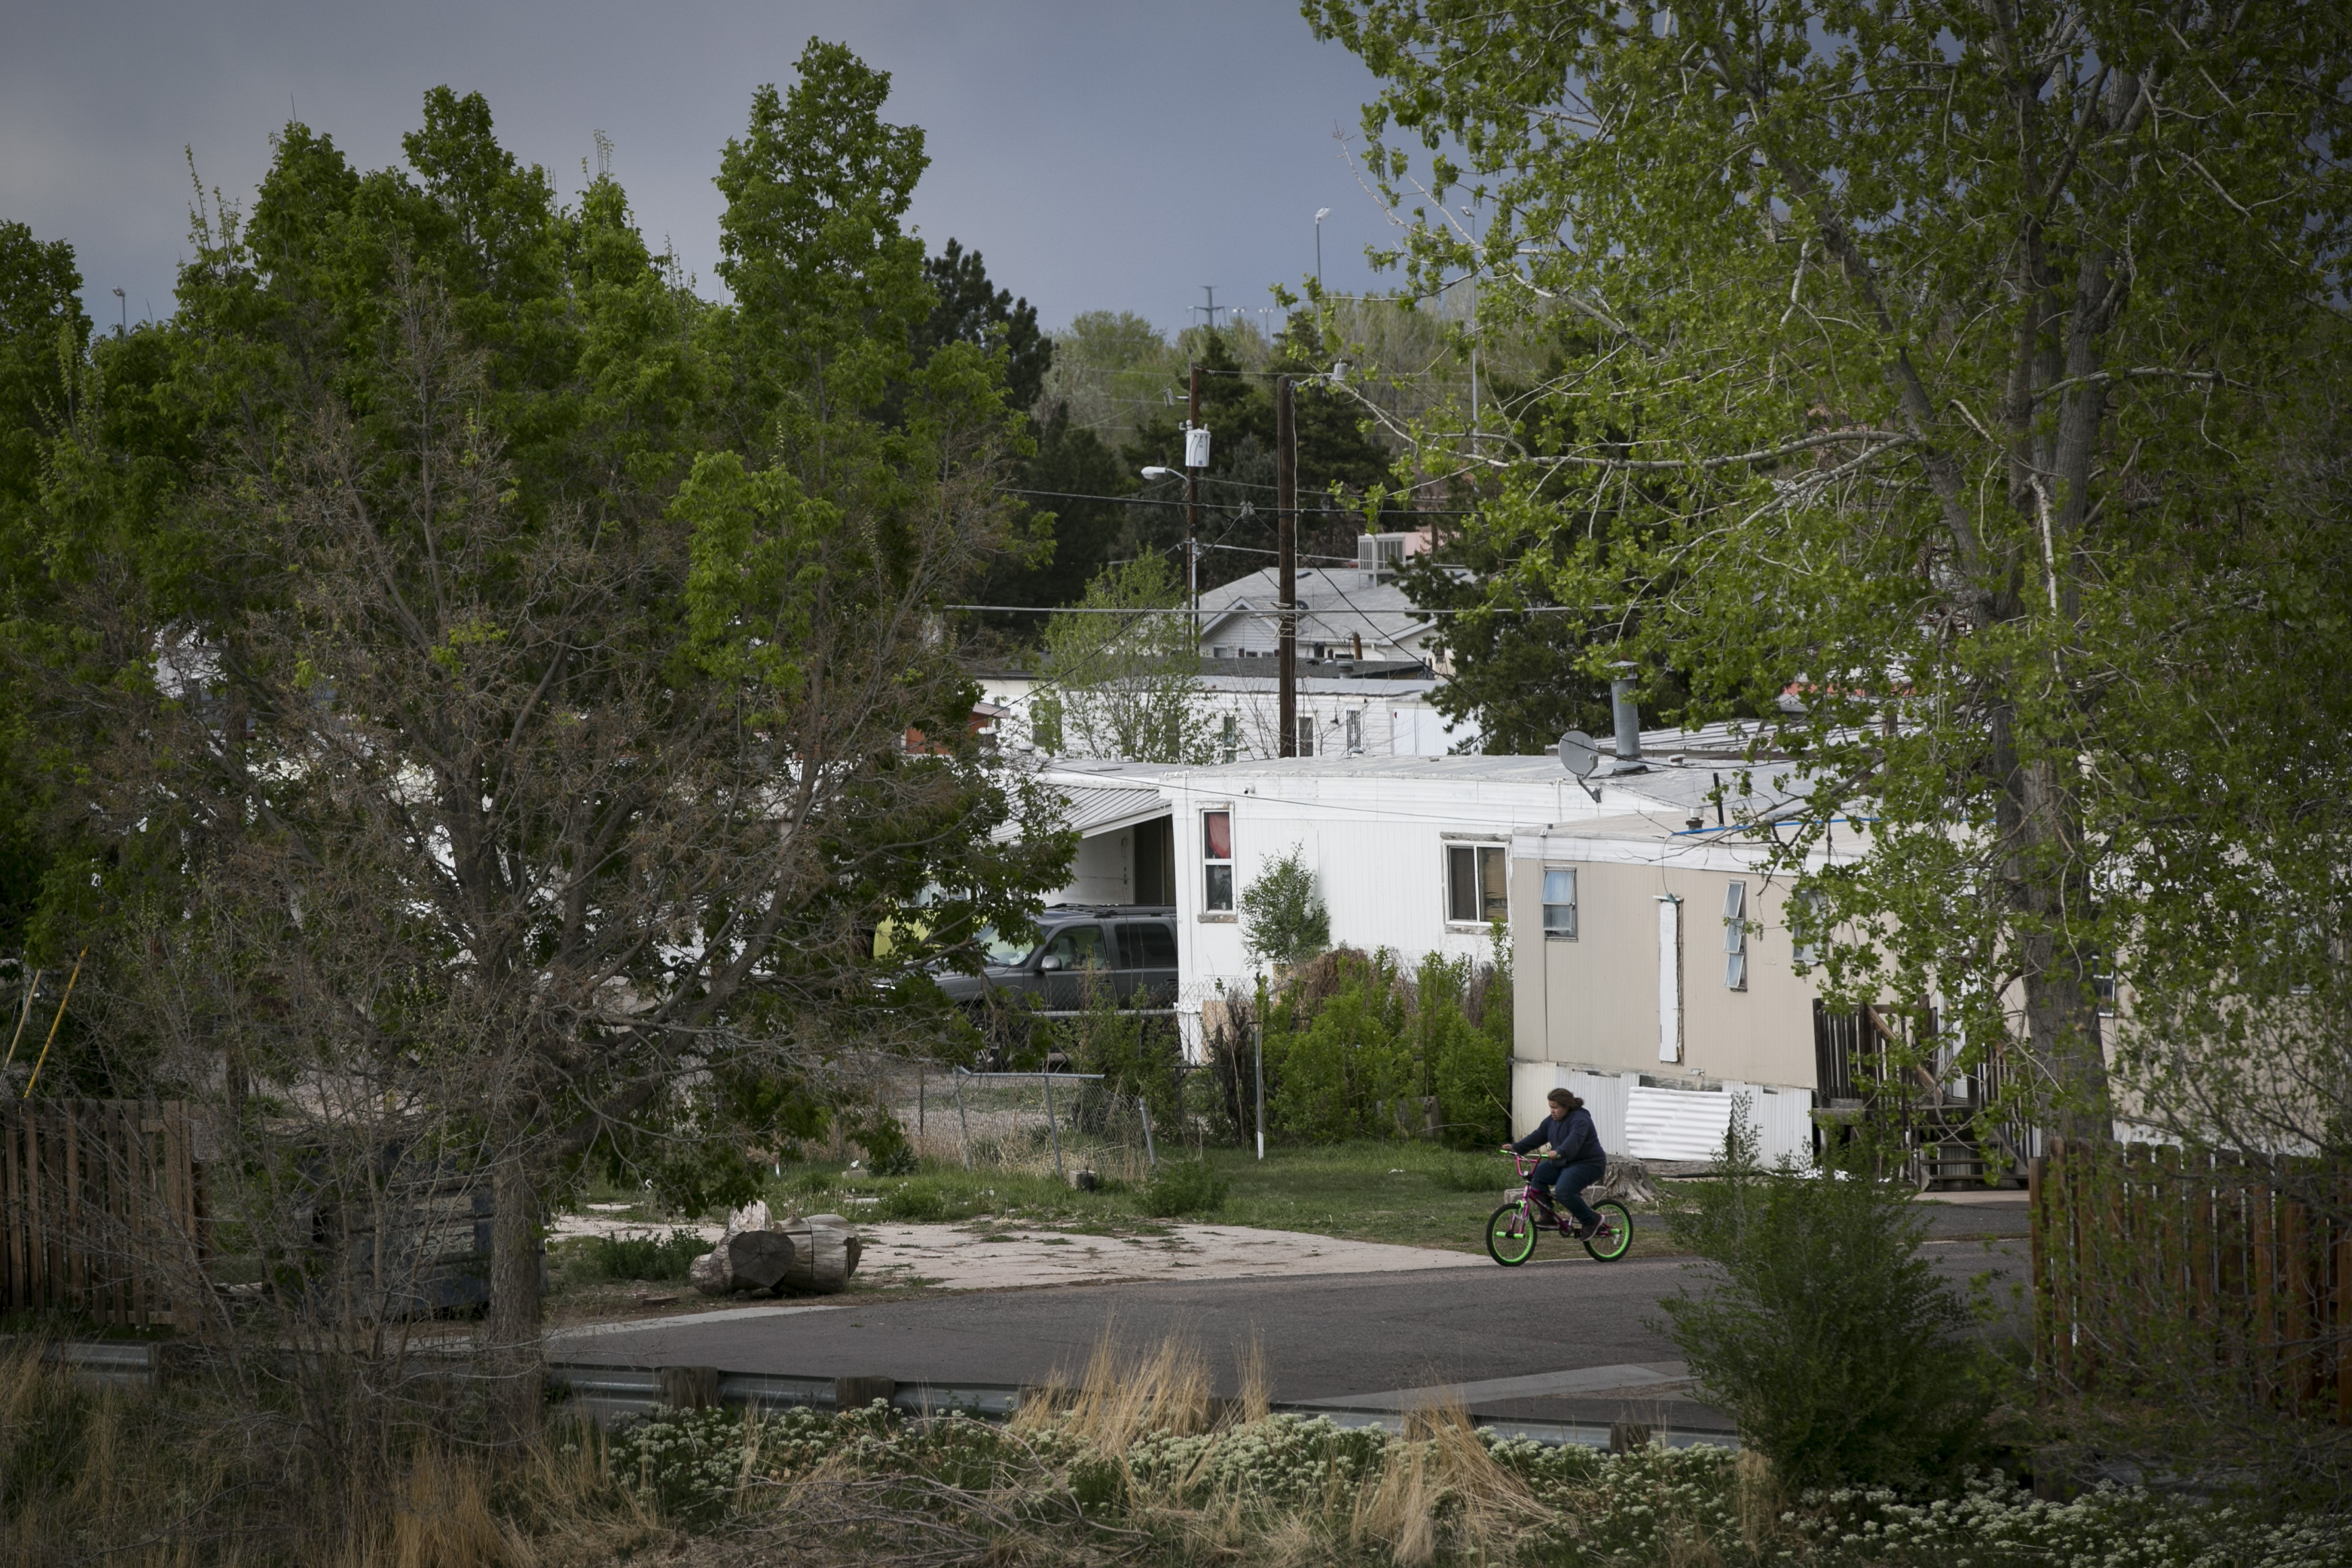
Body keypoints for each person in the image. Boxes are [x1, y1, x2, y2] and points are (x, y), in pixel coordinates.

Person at [1507, 1087, 1608, 1238]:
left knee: (1564, 1191)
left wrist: (1559, 1152)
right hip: (1564, 1162)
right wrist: (1517, 1147)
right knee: (1538, 1175)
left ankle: (1592, 1220)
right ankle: (1548, 1216)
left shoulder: (1580, 1120)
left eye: (1555, 1108)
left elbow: (1574, 1140)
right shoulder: (1551, 1121)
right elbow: (1539, 1136)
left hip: (1588, 1164)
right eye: (1550, 1107)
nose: (1552, 1111)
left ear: (1567, 1107)